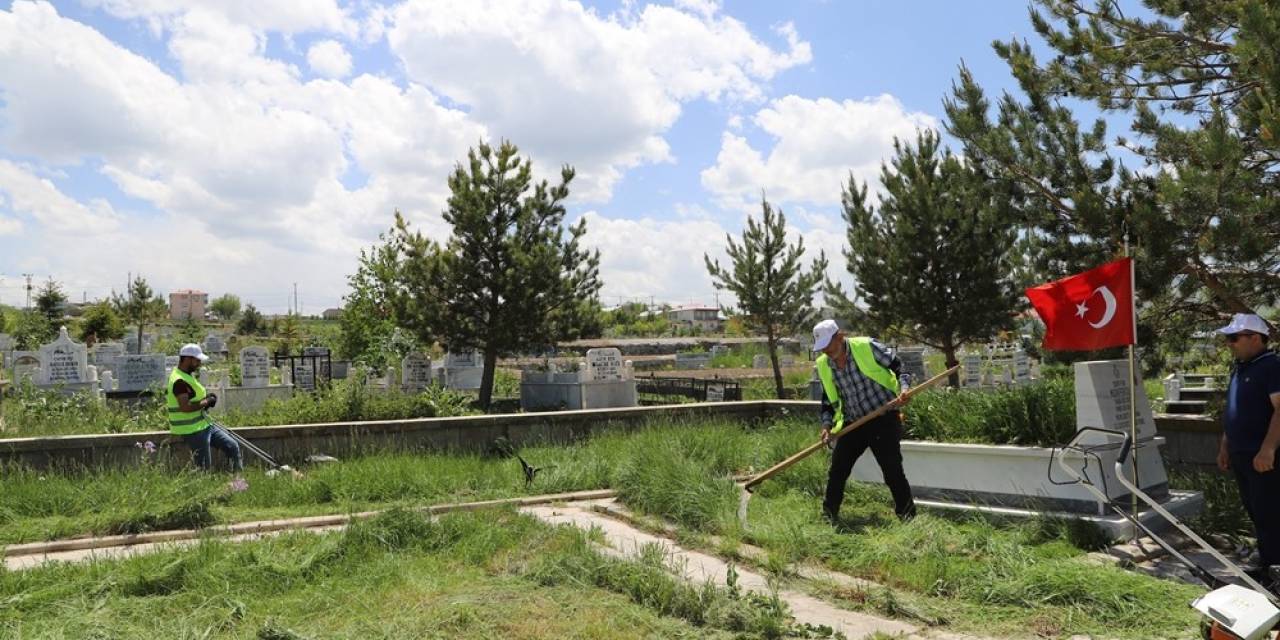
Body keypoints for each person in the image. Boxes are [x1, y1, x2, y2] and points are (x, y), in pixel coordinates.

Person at [812, 319, 916, 524]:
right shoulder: (824, 364)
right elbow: (827, 399)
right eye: (821, 346)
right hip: (853, 423)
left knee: (892, 469)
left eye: (828, 344)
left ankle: (908, 518)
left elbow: (900, 367)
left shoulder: (866, 347)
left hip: (883, 418)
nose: (825, 350)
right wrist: (826, 425)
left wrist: (904, 388)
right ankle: (829, 516)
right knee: (838, 470)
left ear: (839, 337)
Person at [1215, 313, 1280, 577]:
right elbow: (1235, 411)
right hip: (1241, 454)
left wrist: (1268, 448)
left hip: (1262, 455)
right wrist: (1224, 446)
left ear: (1255, 338)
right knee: (1255, 509)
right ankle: (1267, 558)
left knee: (1270, 511)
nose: (1229, 343)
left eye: (1234, 338)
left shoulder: (1271, 365)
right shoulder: (1241, 368)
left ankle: (1274, 567)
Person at [166, 343, 241, 471]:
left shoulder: (187, 375)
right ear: (187, 359)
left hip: (204, 424)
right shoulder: (179, 381)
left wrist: (206, 400)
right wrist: (207, 401)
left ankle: (238, 481)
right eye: (197, 360)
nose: (199, 363)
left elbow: (194, 398)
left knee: (232, 446)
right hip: (192, 429)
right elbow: (185, 407)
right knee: (204, 466)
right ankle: (204, 488)